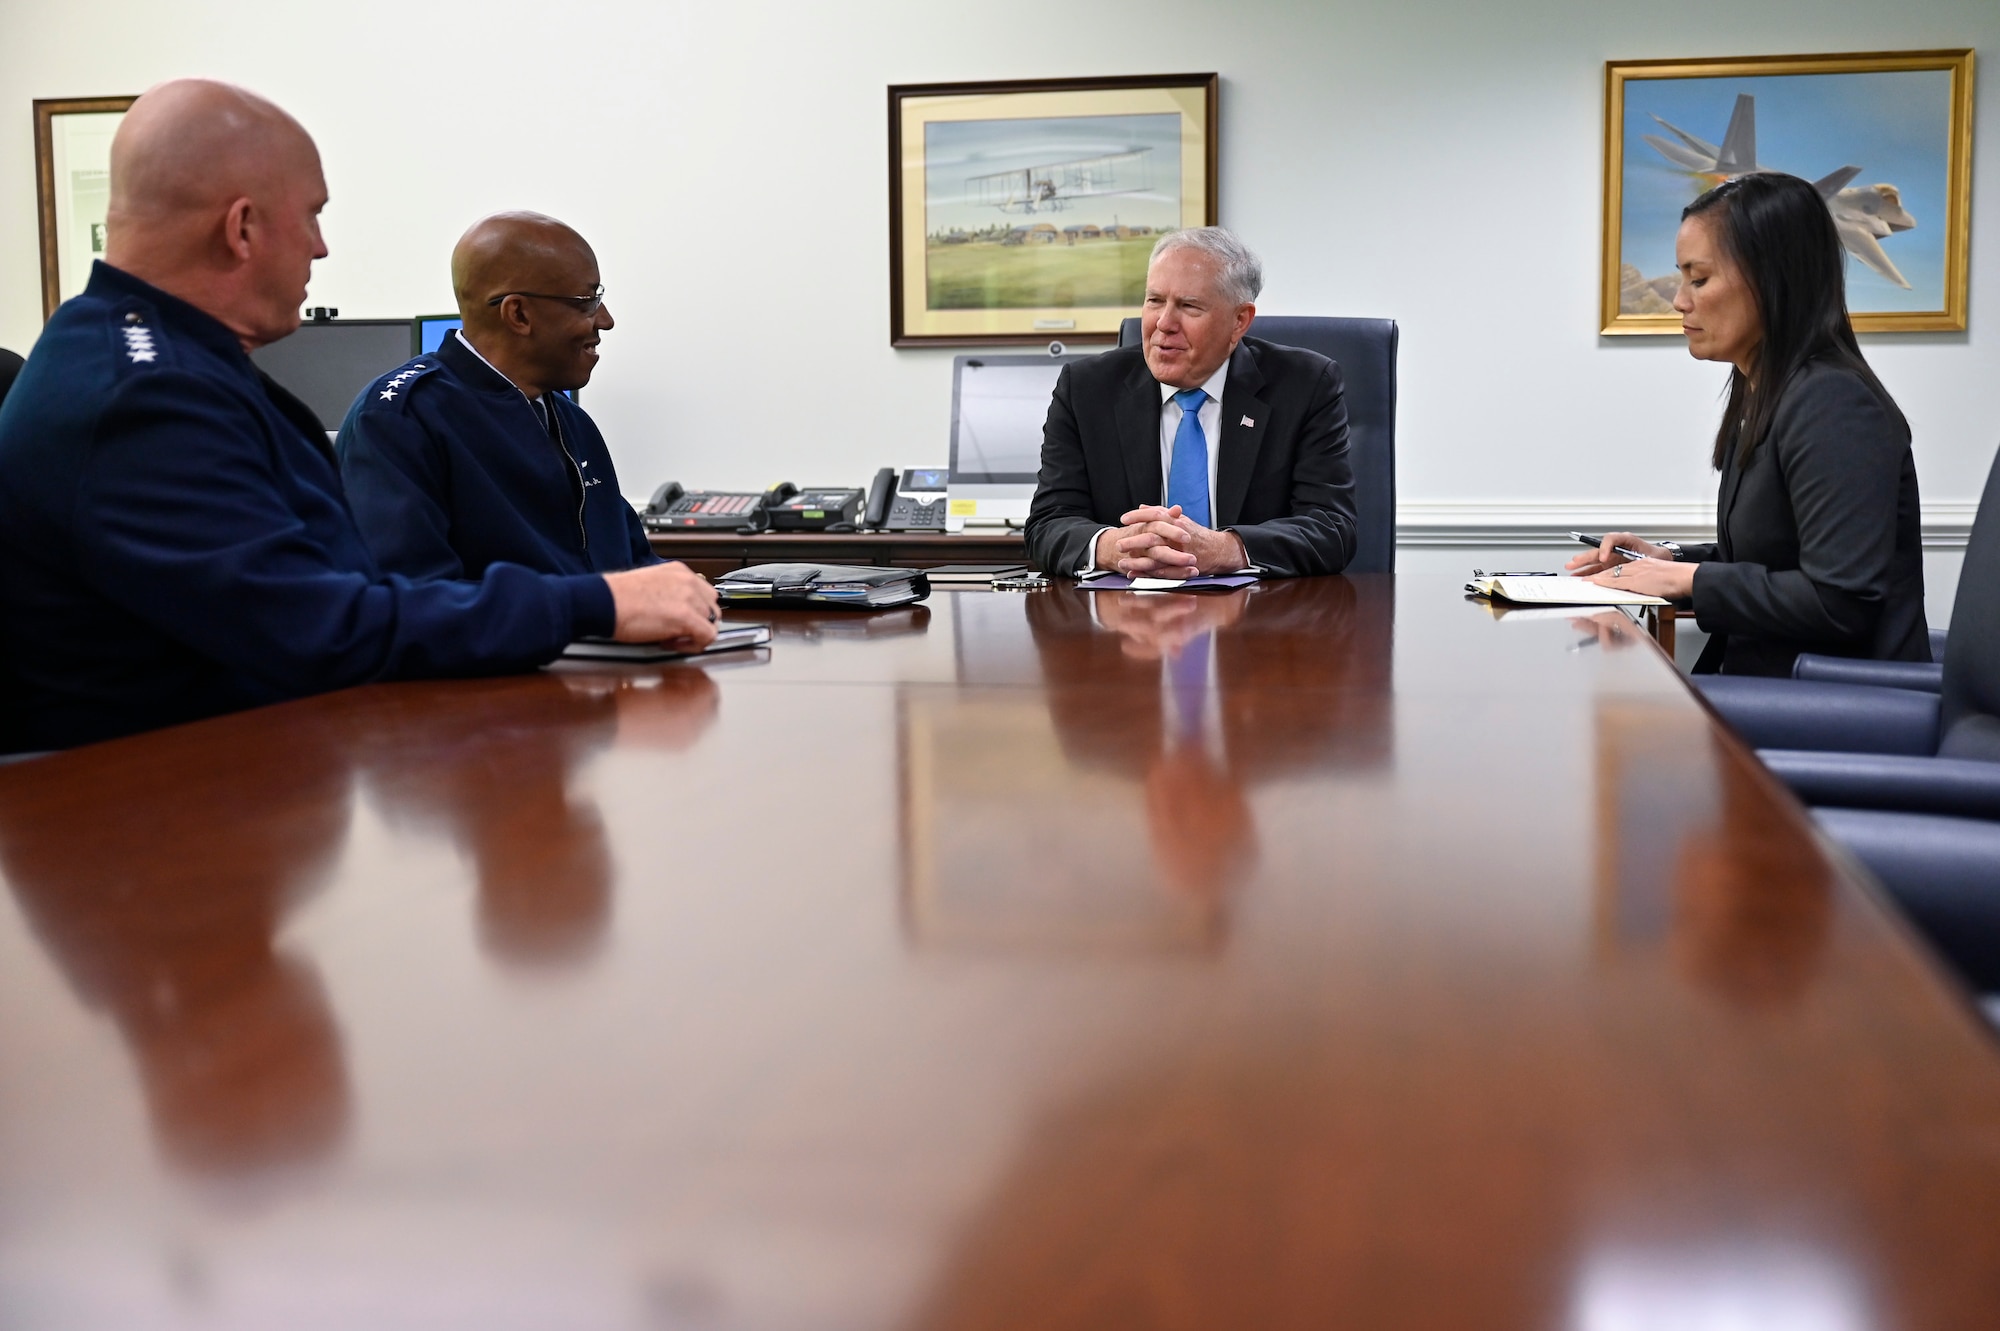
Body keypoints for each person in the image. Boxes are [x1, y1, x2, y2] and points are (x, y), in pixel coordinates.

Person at [0, 79, 717, 753]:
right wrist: (586, 606)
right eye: (312, 215)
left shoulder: (157, 361)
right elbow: (321, 628)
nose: (321, 246)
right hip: (151, 822)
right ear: (242, 228)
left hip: (233, 785)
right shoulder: (144, 397)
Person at [1567, 172, 1927, 676]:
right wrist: (1670, 561)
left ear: (1771, 278)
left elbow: (1839, 600)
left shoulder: (1835, 403)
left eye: (1700, 278)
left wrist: (1691, 581)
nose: (1680, 300)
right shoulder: (1769, 392)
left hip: (1832, 702)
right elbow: (1778, 556)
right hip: (1779, 687)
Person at [336, 213, 658, 581]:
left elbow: (633, 565)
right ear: (518, 314)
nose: (606, 320)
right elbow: (412, 603)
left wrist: (689, 594)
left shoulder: (573, 423)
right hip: (547, 640)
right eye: (586, 301)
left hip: (609, 637)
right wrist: (592, 607)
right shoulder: (399, 422)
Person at [1024, 227, 1358, 579]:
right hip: (1125, 617)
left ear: (1239, 321)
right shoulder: (1087, 389)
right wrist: (1118, 546)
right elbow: (1048, 523)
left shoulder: (1305, 385)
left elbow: (1332, 527)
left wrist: (1224, 549)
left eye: (1189, 306)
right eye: (1154, 300)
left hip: (1259, 619)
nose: (1163, 323)